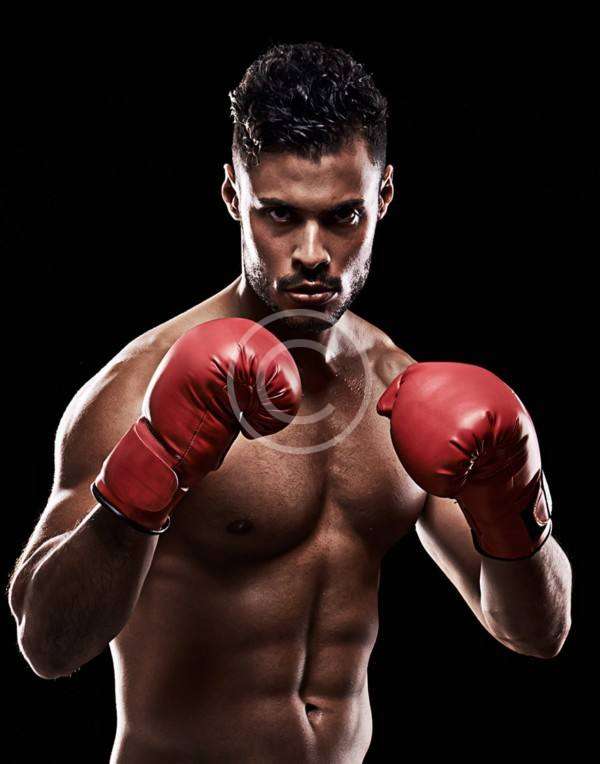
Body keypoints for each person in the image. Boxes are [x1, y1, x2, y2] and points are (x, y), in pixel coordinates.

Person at [8, 42, 572, 763]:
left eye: (343, 217)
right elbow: (48, 646)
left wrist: (514, 495)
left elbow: (537, 632)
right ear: (232, 196)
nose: (311, 253)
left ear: (384, 197)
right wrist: (150, 469)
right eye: (279, 215)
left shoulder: (399, 386)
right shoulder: (139, 385)